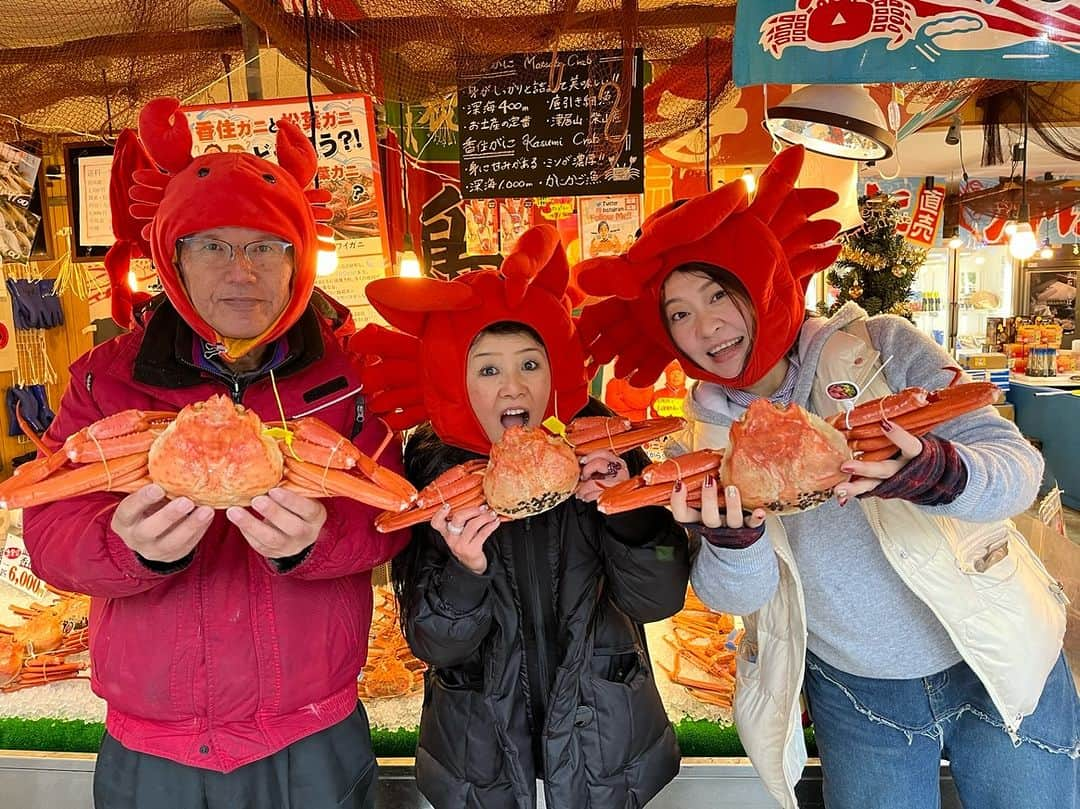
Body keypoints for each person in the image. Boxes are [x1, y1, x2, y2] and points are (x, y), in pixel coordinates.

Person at [576, 145, 1078, 809]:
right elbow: (740, 595)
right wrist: (735, 540)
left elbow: (1019, 470)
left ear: (759, 281)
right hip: (858, 692)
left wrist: (934, 471)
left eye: (718, 293)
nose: (706, 325)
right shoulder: (711, 441)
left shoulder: (885, 351)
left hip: (997, 660)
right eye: (680, 313)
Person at [21, 97, 408, 809]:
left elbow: (395, 515)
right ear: (172, 256)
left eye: (266, 245)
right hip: (155, 744)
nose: (242, 271)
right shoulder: (105, 379)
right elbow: (45, 532)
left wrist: (317, 541)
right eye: (212, 245)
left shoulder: (346, 375)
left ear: (299, 259)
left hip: (312, 734)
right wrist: (125, 546)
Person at [352, 224, 690, 809]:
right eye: (486, 369)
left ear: (557, 367)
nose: (513, 385)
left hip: (606, 741)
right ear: (453, 381)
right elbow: (432, 643)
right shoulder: (435, 472)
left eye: (530, 364)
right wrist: (465, 566)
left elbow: (658, 601)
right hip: (477, 752)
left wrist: (625, 514)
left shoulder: (606, 444)